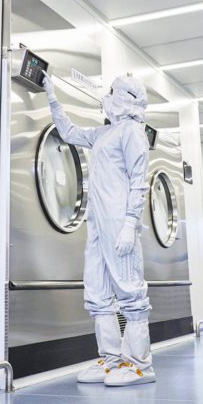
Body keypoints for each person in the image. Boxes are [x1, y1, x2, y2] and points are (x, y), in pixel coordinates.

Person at [42, 71, 155, 387]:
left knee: (130, 291)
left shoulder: (132, 133)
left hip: (119, 222)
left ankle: (140, 365)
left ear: (126, 98)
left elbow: (139, 182)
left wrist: (130, 223)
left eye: (113, 90)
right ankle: (111, 359)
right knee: (97, 291)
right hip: (97, 223)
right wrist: (52, 96)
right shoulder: (104, 133)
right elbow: (69, 132)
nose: (108, 95)